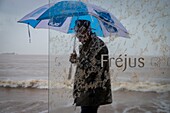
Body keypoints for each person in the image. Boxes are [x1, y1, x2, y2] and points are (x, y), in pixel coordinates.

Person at [69, 20, 112, 113]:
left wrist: (78, 61)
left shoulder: (98, 45)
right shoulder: (85, 45)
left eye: (81, 35)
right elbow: (84, 64)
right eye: (77, 35)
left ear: (87, 31)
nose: (78, 38)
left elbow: (97, 68)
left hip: (94, 90)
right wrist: (76, 60)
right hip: (86, 89)